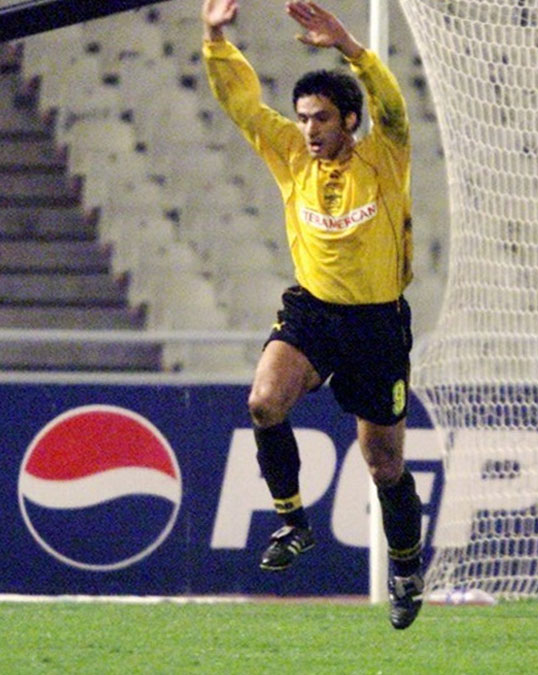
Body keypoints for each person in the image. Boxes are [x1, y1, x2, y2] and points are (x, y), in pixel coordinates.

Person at [202, 0, 424, 629]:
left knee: (383, 465)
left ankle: (406, 568)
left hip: (377, 325)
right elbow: (243, 105)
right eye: (302, 118)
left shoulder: (384, 158)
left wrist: (351, 48)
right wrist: (215, 39)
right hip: (313, 313)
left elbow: (392, 108)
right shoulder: (292, 157)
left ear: (349, 119)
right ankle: (292, 522)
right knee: (263, 402)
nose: (308, 129)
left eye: (321, 117)